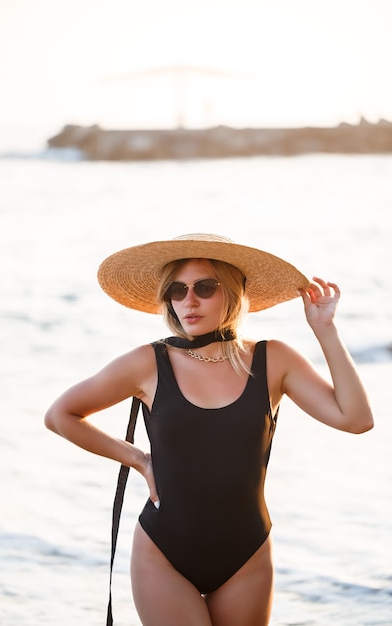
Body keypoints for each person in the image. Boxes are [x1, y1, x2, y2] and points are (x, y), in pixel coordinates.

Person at [45, 233, 373, 626]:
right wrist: (139, 460)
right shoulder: (149, 363)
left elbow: (356, 420)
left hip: (246, 554)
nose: (189, 301)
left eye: (204, 287)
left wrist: (325, 330)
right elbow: (61, 414)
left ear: (232, 293)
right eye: (177, 291)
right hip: (164, 553)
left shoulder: (273, 360)